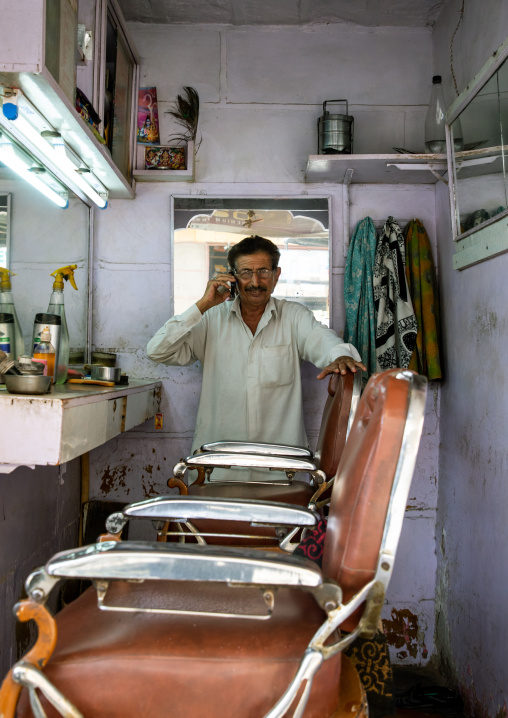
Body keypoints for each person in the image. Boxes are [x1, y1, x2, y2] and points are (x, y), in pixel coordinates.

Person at [147, 236, 366, 479]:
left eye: (263, 271)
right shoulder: (210, 320)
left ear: (276, 274)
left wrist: (340, 356)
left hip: (282, 469)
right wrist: (202, 305)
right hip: (218, 469)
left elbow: (324, 341)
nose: (255, 282)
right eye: (245, 272)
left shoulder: (293, 317)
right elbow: (158, 350)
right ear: (232, 277)